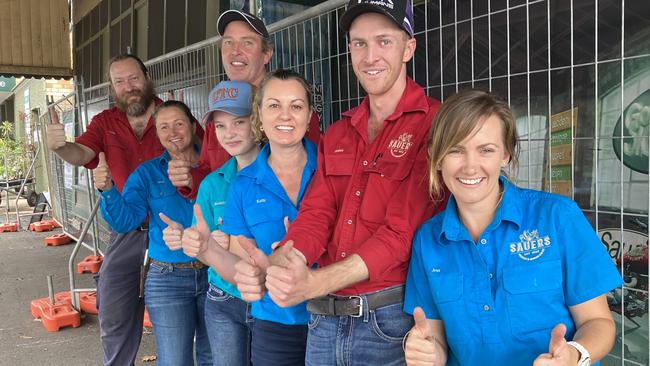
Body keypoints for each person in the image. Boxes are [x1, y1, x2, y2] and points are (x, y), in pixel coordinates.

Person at [234, 1, 444, 365]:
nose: (370, 56)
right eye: (359, 43)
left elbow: (402, 232)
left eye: (384, 41)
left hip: (388, 319)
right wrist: (287, 258)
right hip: (324, 321)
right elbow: (318, 209)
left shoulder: (435, 124)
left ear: (409, 47)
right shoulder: (338, 133)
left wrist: (314, 283)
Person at [402, 89, 623, 366]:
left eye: (486, 150)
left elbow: (599, 322)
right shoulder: (428, 241)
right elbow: (436, 341)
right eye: (456, 150)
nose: (471, 167)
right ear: (436, 155)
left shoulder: (557, 217)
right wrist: (426, 353)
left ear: (505, 154)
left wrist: (575, 355)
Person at [46, 54, 205, 366]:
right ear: (112, 87)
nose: (128, 86)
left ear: (146, 78)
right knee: (115, 315)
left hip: (175, 231)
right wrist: (61, 147)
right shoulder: (105, 122)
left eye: (133, 78)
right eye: (119, 81)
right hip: (128, 228)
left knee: (199, 320)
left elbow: (206, 159)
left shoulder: (173, 117)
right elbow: (82, 153)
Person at [183, 69, 317, 366]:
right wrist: (208, 248)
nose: (284, 116)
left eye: (296, 106)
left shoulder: (331, 167)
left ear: (309, 115)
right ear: (262, 115)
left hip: (328, 315)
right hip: (271, 318)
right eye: (273, 106)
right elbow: (243, 263)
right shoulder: (239, 185)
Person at [94, 100, 211, 366]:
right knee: (174, 360)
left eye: (179, 124)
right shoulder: (147, 174)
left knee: (213, 356)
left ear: (193, 126)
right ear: (157, 134)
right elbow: (126, 221)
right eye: (164, 127)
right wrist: (108, 189)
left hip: (215, 274)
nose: (172, 132)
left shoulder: (215, 165)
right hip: (167, 279)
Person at [169, 9, 320, 197]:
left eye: (247, 43)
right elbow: (209, 171)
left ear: (267, 54)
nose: (235, 51)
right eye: (228, 43)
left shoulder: (289, 106)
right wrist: (190, 178)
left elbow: (314, 177)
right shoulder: (219, 106)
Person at [161, 80, 260, 366]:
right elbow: (202, 249)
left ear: (258, 121)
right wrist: (187, 240)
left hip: (270, 298)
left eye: (239, 122)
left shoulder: (283, 174)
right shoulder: (211, 185)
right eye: (220, 126)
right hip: (224, 299)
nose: (229, 133)